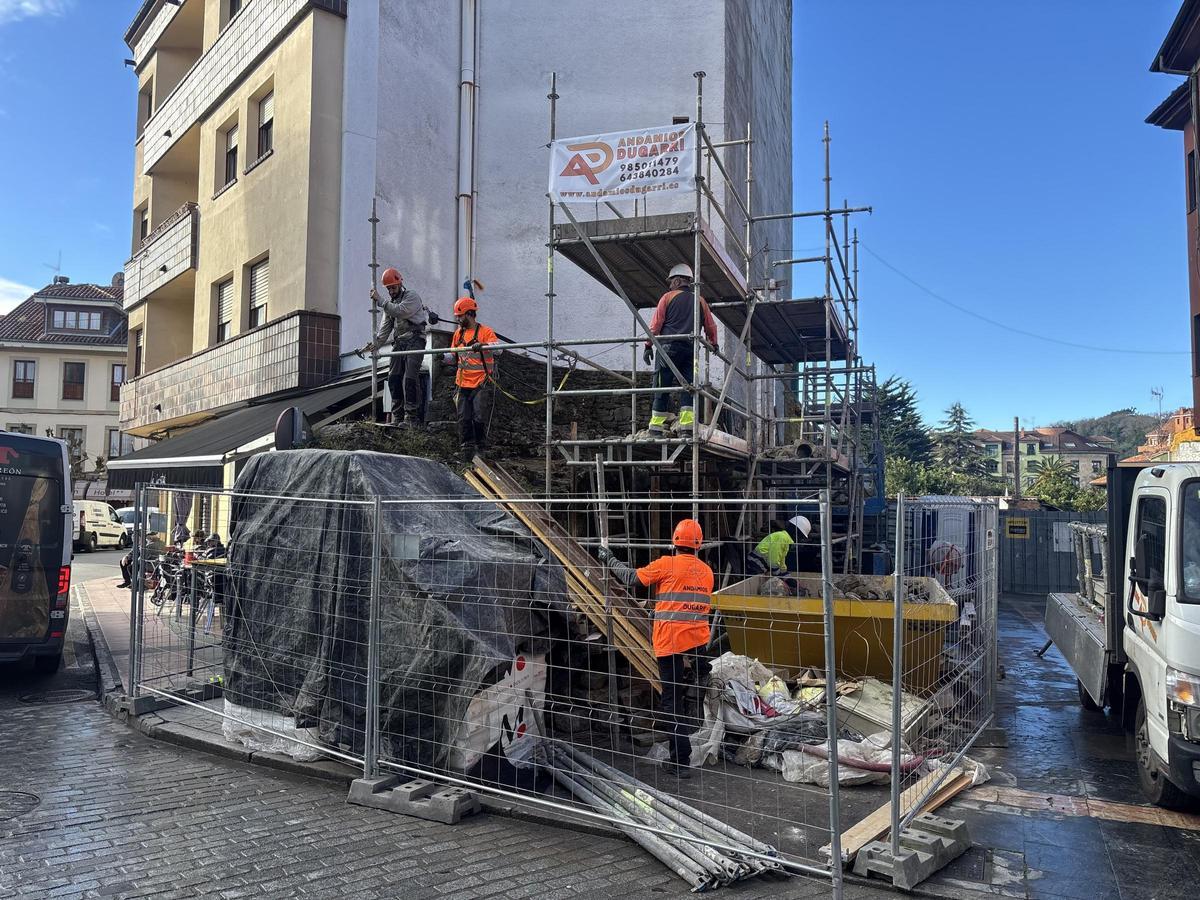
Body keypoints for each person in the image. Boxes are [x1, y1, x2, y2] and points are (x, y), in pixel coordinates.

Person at [598, 519, 713, 778]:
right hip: (697, 644)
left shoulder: (666, 564)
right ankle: (700, 675)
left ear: (674, 542)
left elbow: (631, 578)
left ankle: (680, 761)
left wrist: (609, 559)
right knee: (682, 699)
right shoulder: (707, 571)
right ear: (698, 545)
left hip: (671, 642)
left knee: (671, 703)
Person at [643, 263, 719, 435]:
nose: (669, 285)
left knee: (662, 386)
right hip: (691, 351)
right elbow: (710, 326)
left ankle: (655, 428)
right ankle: (686, 428)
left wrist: (648, 345)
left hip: (667, 349)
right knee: (689, 388)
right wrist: (714, 343)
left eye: (671, 282)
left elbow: (655, 325)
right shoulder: (700, 300)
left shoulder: (667, 297)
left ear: (677, 281)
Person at [360, 267, 429, 426]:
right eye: (389, 288)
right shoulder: (389, 305)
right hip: (400, 342)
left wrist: (381, 301)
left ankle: (411, 417)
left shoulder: (411, 297)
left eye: (393, 287)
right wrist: (375, 344)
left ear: (400, 284)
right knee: (394, 378)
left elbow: (401, 311)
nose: (391, 291)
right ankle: (398, 417)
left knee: (410, 377)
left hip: (415, 340)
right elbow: (385, 330)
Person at [445, 296, 497, 459]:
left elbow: (499, 349)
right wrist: (441, 356)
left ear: (469, 314)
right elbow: (452, 357)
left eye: (460, 316)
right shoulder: (457, 335)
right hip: (462, 384)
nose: (458, 319)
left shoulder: (485, 332)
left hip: (480, 383)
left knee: (479, 416)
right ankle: (466, 450)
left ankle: (481, 449)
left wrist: (483, 345)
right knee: (463, 417)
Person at [747, 516, 810, 581]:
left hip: (759, 565)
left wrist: (788, 578)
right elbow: (773, 562)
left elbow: (781, 562)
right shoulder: (782, 538)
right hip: (754, 565)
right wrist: (783, 578)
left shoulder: (786, 540)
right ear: (796, 532)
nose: (800, 539)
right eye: (801, 536)